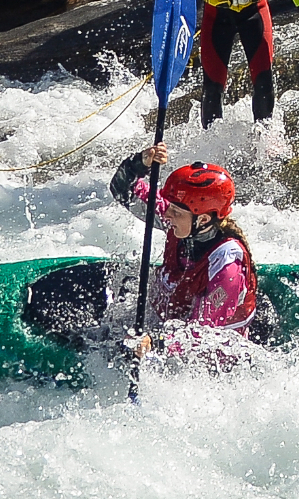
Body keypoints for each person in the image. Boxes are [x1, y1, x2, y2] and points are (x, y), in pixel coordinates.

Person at [109, 149, 257, 365]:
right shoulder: (183, 222)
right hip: (161, 334)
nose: (167, 216)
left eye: (176, 212)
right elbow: (122, 189)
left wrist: (154, 343)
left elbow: (201, 334)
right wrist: (141, 162)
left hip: (207, 366)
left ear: (204, 220)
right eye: (170, 209)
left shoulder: (228, 266)